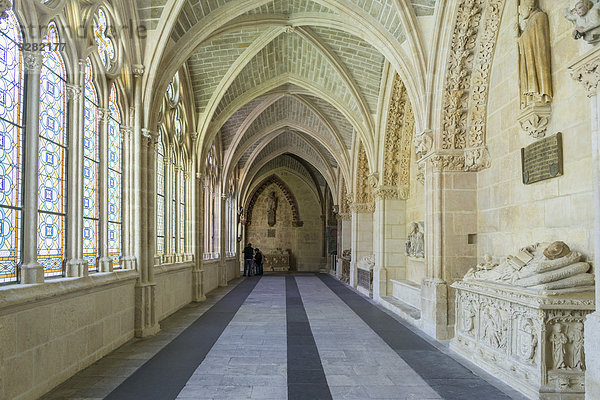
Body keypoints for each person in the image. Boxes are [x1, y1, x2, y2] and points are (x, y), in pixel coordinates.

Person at [517, 0, 553, 109]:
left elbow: (538, 41)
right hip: (530, 61)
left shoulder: (539, 17)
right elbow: (526, 39)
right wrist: (519, 37)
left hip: (538, 60)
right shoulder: (530, 22)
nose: (520, 14)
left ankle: (540, 93)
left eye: (521, 10)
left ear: (529, 8)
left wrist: (520, 37)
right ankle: (532, 95)